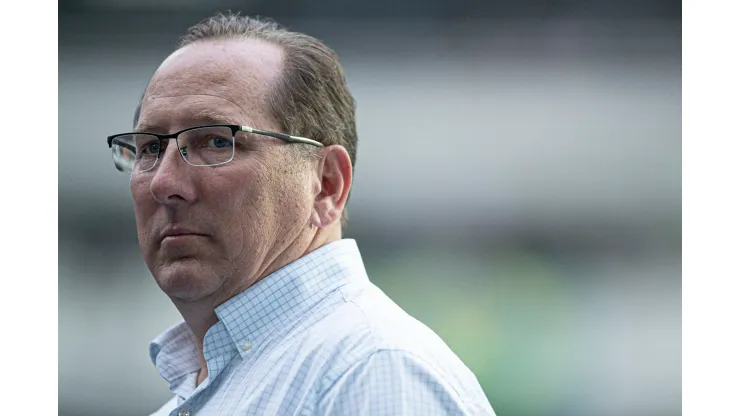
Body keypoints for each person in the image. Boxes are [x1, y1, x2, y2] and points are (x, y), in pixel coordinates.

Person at [105, 12, 495, 416]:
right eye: (150, 148)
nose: (164, 182)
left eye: (217, 141)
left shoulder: (372, 369)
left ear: (327, 184)